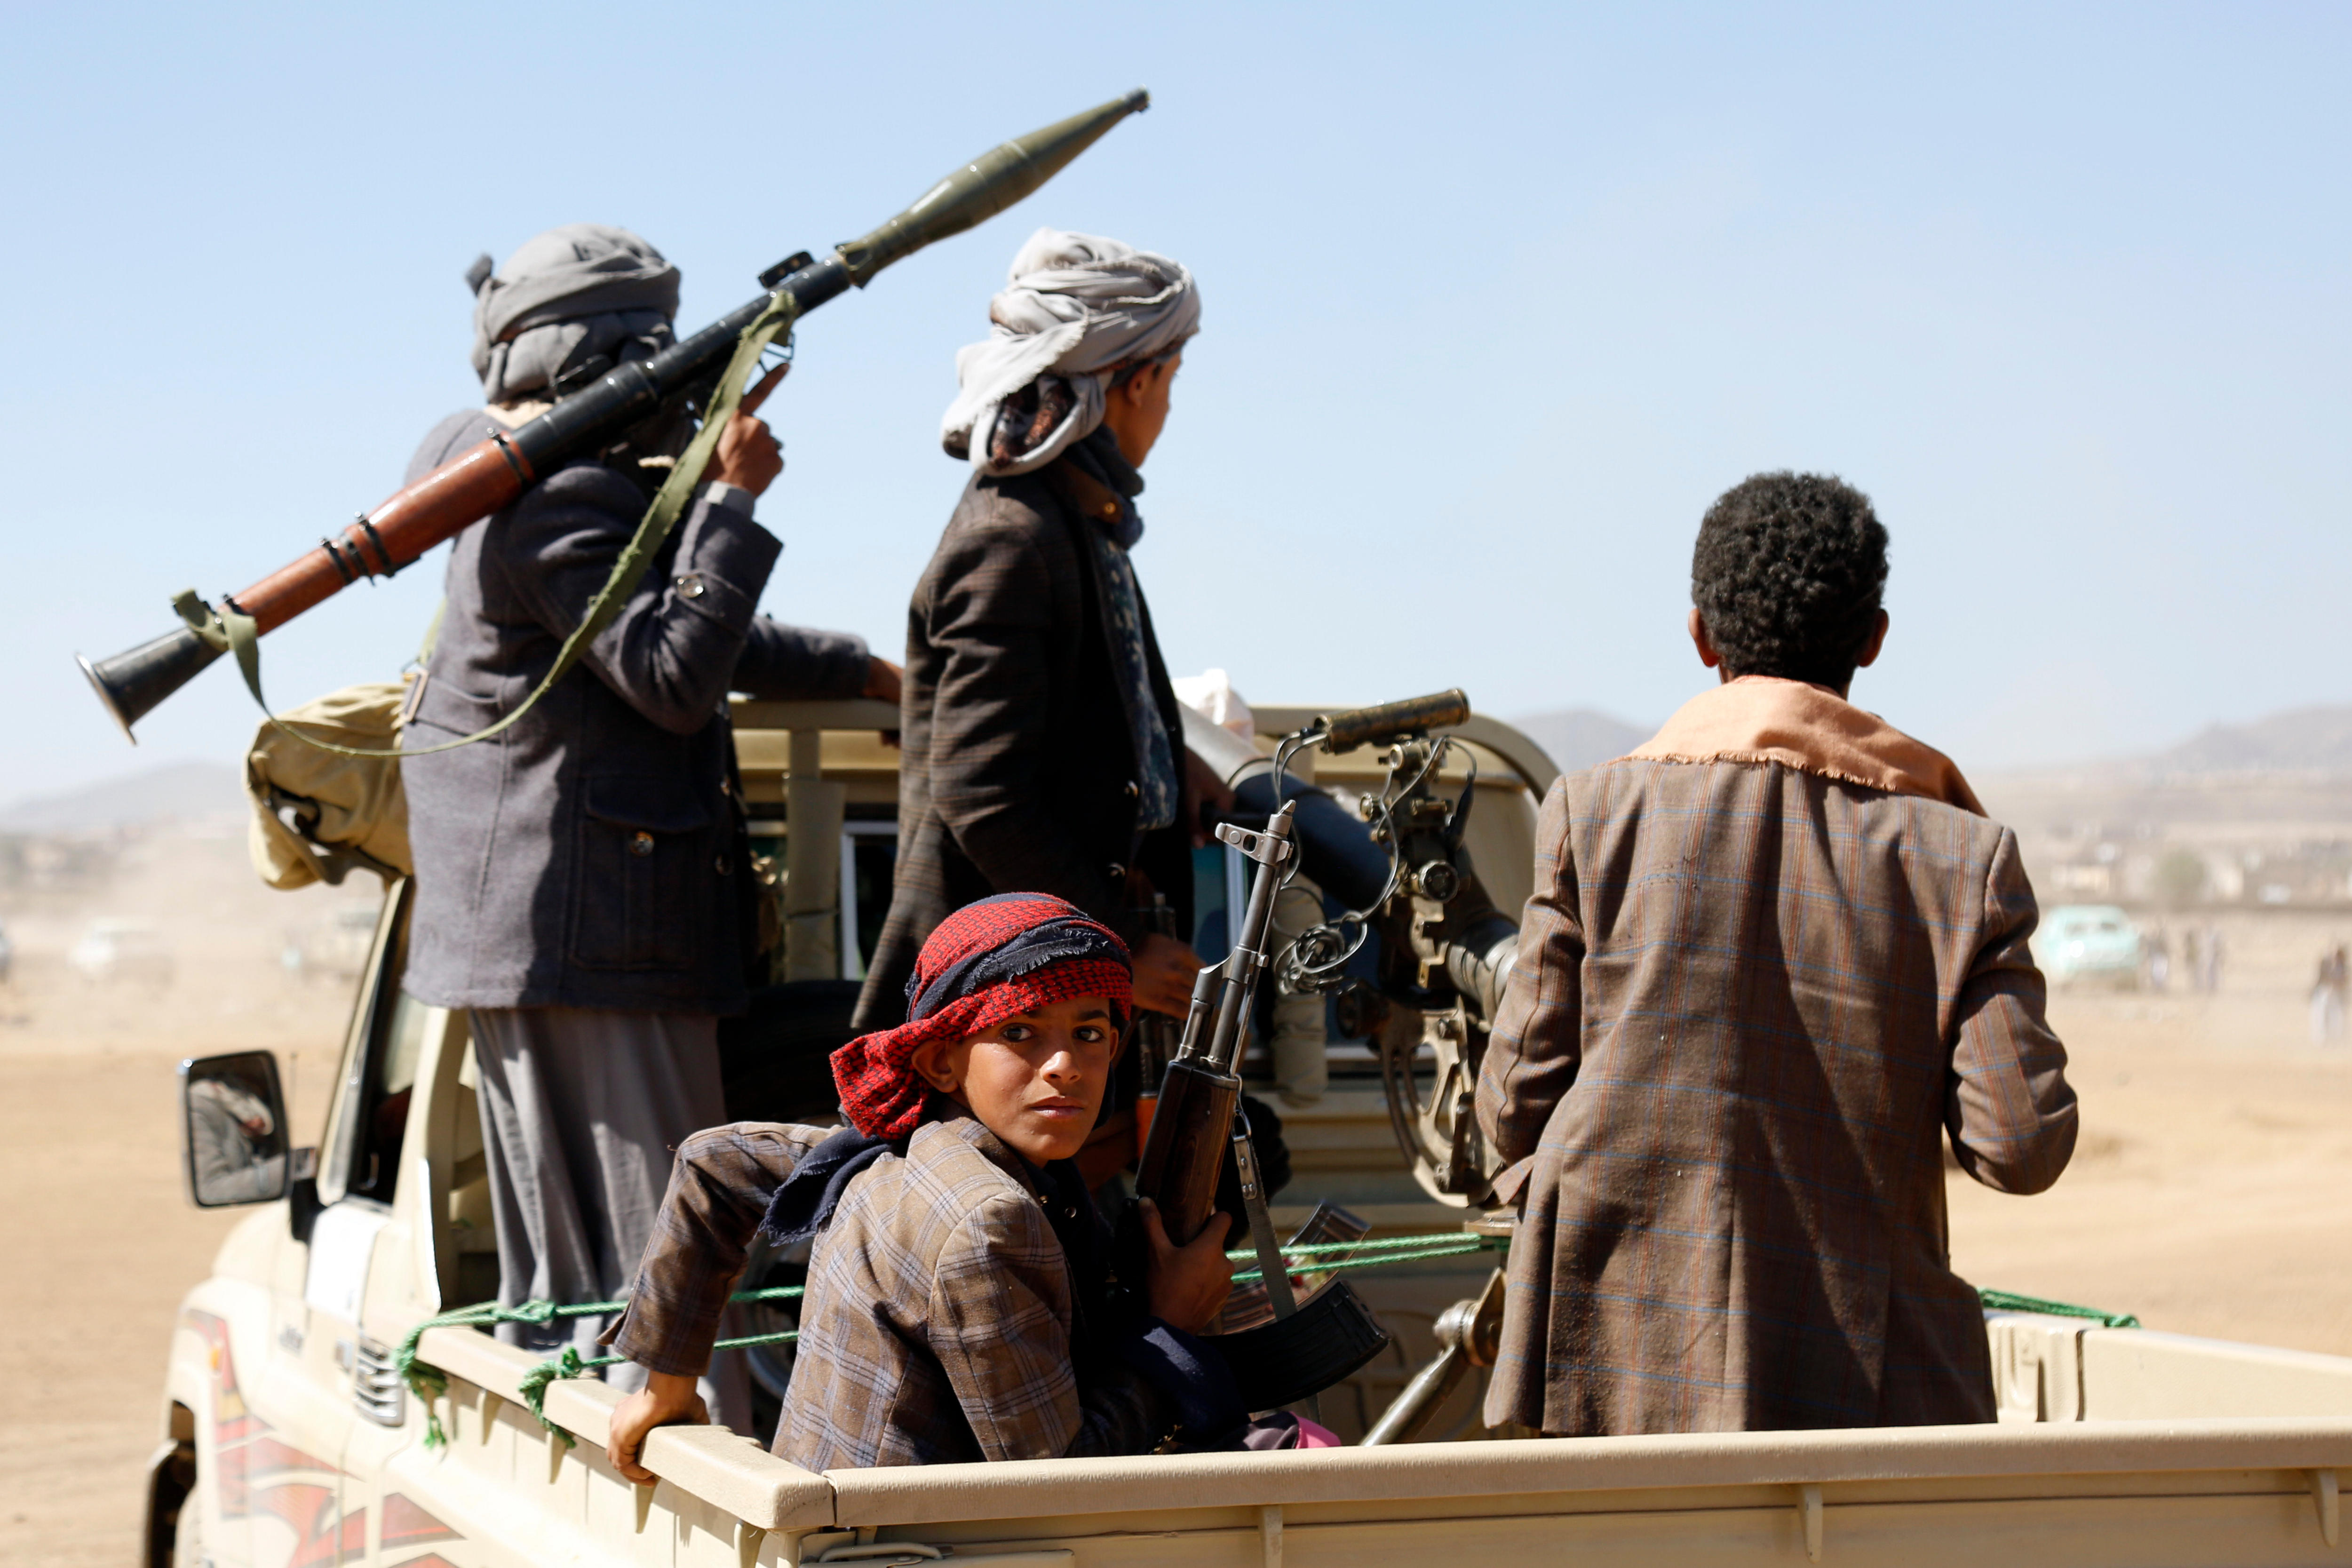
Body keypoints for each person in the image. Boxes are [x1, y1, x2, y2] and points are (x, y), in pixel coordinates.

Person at [398, 225, 898, 1425]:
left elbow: (666, 637)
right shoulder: (554, 481)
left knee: (588, 1279)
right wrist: (732, 497)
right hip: (598, 926)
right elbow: (674, 668)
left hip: (558, 919)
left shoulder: (510, 467)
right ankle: (689, 1469)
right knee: (668, 1258)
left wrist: (868, 672)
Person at [1477, 471, 2079, 1436]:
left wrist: (1575, 1214)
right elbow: (2019, 1144)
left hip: (1611, 1385)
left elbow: (1512, 1110)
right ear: (1873, 638)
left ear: (1701, 636)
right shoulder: (1961, 855)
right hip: (1859, 1408)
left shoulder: (1591, 815)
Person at [602, 892, 1267, 1476]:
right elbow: (1061, 1479)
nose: (1065, 1064)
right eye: (1020, 1032)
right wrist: (1168, 1321)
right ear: (940, 1061)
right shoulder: (990, 1220)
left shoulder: (894, 1151)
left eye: (1090, 1032)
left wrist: (666, 1386)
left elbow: (714, 1161)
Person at [852, 230, 1219, 1037]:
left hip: (1047, 994)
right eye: (1172, 379)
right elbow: (982, 796)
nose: (1167, 407)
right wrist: (1117, 940)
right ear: (1136, 379)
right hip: (1006, 1007)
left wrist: (1170, 764)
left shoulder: (1073, 517)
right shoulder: (1012, 538)